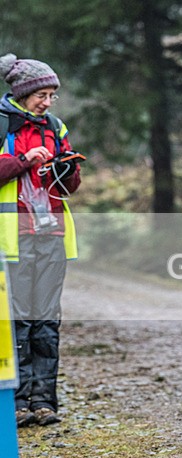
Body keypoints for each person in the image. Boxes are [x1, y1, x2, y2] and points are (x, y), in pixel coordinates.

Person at [0, 54, 82, 427]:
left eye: (52, 95)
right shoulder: (3, 126)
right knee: (17, 322)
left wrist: (67, 169)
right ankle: (16, 402)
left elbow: (70, 185)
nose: (47, 102)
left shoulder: (56, 127)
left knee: (47, 321)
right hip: (12, 241)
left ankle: (44, 401)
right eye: (42, 94)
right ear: (22, 92)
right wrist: (24, 161)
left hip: (52, 236)